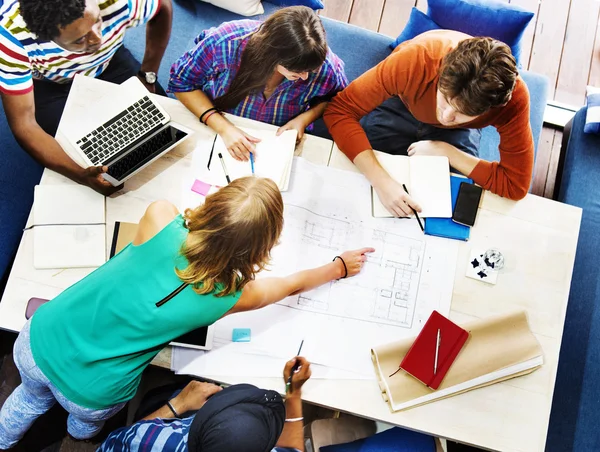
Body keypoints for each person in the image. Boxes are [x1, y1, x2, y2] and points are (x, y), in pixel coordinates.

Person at [0, 177, 374, 448]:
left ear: (213, 203)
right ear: (262, 249)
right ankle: (77, 437)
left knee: (29, 396)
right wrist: (337, 267)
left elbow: (173, 229)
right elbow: (289, 285)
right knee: (83, 424)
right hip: (93, 390)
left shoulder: (160, 216)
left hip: (38, 339)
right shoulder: (230, 296)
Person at [323, 30, 534, 217]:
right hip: (403, 105)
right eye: (445, 98)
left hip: (457, 135)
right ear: (441, 72)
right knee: (357, 185)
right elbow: (339, 111)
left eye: (462, 112)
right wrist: (382, 182)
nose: (446, 116)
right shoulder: (415, 59)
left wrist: (447, 152)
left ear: (491, 108)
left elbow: (515, 185)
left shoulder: (514, 100)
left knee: (447, 206)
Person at [0, 0, 173, 195]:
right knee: (79, 155)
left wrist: (148, 74)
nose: (97, 40)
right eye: (79, 39)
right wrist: (81, 175)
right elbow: (25, 124)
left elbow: (163, 7)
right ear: (45, 35)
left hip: (109, 62)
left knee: (163, 127)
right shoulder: (10, 36)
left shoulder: (118, 1)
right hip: (53, 84)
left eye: (98, 21)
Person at [168, 6, 348, 162]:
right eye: (297, 71)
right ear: (272, 55)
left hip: (277, 143)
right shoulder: (225, 43)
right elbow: (181, 82)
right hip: (216, 124)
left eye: (311, 70)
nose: (305, 77)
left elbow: (338, 100)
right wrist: (224, 128)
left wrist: (304, 119)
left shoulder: (326, 66)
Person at [98, 356, 313, 451]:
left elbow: (112, 444)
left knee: (161, 395)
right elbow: (293, 449)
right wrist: (293, 394)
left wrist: (179, 404)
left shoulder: (151, 440)